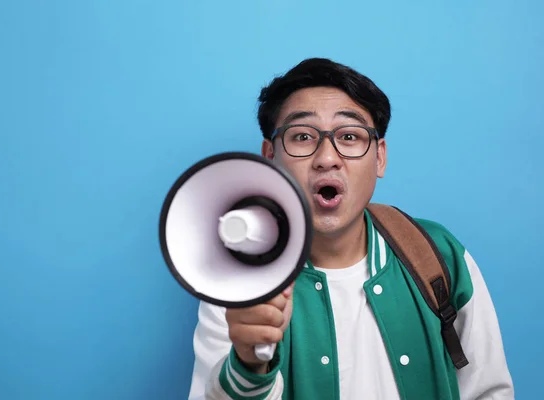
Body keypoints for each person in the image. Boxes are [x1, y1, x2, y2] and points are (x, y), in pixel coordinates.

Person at [187, 58, 514, 400]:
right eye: (301, 136)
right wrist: (249, 364)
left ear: (379, 158)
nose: (327, 158)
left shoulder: (438, 255)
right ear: (269, 158)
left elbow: (489, 391)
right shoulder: (234, 282)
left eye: (349, 136)